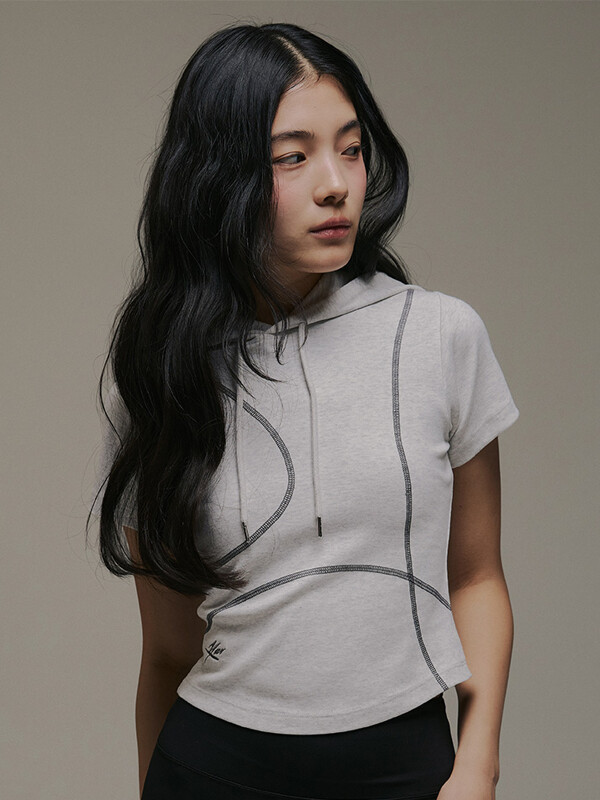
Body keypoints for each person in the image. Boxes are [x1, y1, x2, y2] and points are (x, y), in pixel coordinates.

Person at [87, 21, 519, 800]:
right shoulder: (164, 372)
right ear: (218, 176)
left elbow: (478, 574)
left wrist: (478, 761)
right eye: (292, 157)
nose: (335, 184)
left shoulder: (439, 335)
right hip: (213, 768)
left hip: (408, 766)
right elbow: (167, 653)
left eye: (350, 149)